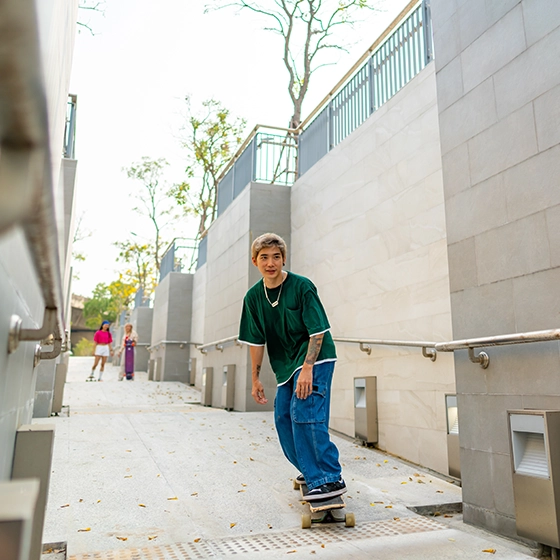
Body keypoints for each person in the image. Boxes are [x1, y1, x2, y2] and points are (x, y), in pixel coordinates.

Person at [239, 233, 346, 501]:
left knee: (304, 411)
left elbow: (318, 331)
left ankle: (329, 477)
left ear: (284, 259)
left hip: (316, 357)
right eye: (264, 257)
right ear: (255, 261)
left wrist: (307, 368)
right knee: (283, 418)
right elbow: (256, 341)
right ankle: (311, 471)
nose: (271, 262)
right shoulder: (253, 298)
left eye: (276, 257)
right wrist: (255, 379)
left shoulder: (302, 286)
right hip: (285, 366)